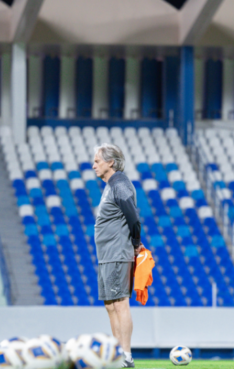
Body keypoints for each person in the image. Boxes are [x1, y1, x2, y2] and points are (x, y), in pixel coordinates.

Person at [92, 143, 144, 368]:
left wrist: (135, 242)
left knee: (120, 302)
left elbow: (133, 216)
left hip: (116, 252)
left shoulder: (119, 183)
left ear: (110, 162)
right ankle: (116, 353)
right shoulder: (110, 185)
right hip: (106, 254)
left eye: (97, 161)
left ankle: (126, 355)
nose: (93, 165)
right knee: (110, 304)